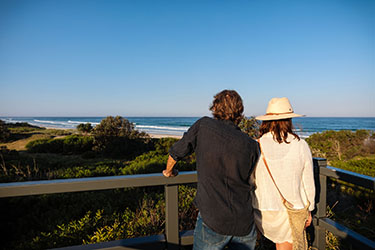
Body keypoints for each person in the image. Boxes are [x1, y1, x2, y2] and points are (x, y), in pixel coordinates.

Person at [163, 90, 260, 250]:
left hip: (214, 219)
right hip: (244, 222)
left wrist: (169, 171)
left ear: (215, 107)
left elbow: (177, 152)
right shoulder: (251, 144)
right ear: (240, 111)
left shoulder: (204, 126)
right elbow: (252, 178)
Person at [252, 97, 315, 250]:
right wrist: (310, 209)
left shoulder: (256, 144)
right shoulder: (300, 145)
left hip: (263, 208)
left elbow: (250, 179)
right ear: (289, 120)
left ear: (266, 120)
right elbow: (308, 180)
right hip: (292, 209)